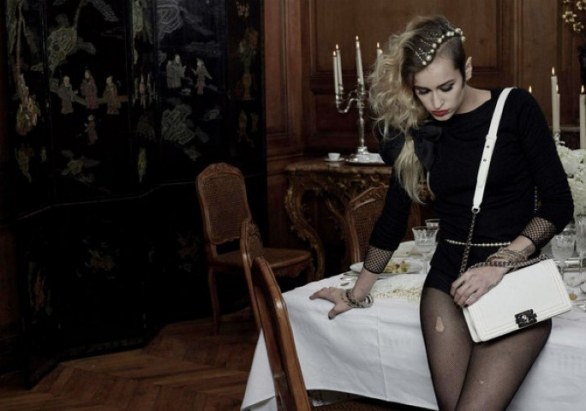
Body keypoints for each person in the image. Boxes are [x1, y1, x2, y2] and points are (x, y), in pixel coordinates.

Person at [310, 15, 573, 410]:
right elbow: (392, 219)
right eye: (423, 91)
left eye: (446, 87)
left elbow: (558, 203)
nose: (436, 103)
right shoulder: (418, 129)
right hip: (446, 282)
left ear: (468, 69)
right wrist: (356, 293)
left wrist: (498, 265)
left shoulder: (515, 107)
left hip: (513, 278)